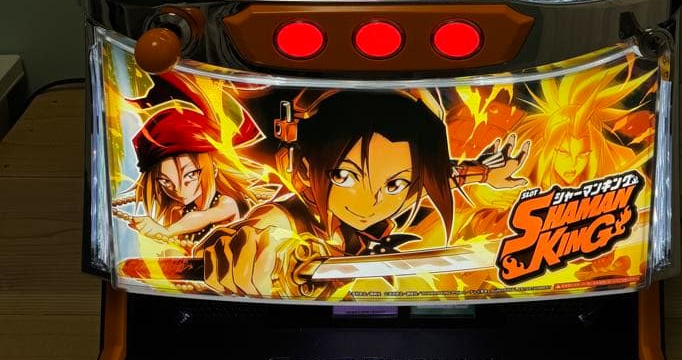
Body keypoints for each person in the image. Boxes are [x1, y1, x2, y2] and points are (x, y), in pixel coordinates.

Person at [198, 87, 529, 297]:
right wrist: (243, 250)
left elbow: (442, 175)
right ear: (301, 167)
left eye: (394, 185)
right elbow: (259, 231)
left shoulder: (408, 190)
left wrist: (485, 173)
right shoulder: (288, 217)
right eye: (344, 176)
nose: (369, 203)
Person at [115, 72, 266, 247]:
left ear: (213, 168)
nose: (180, 191)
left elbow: (204, 217)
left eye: (190, 175)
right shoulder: (182, 206)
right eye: (166, 182)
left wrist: (167, 231)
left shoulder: (227, 203)